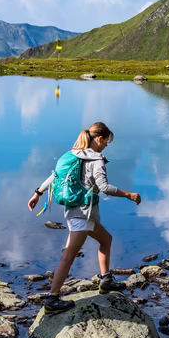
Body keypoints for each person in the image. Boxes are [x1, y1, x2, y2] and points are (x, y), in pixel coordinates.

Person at [27, 122, 141, 313]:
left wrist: (38, 193)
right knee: (68, 256)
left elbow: (54, 176)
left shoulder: (71, 154)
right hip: (83, 212)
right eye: (106, 141)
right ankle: (51, 299)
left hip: (76, 210)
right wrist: (128, 195)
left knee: (106, 239)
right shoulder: (95, 159)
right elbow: (104, 187)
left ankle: (106, 281)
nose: (106, 146)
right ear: (99, 138)